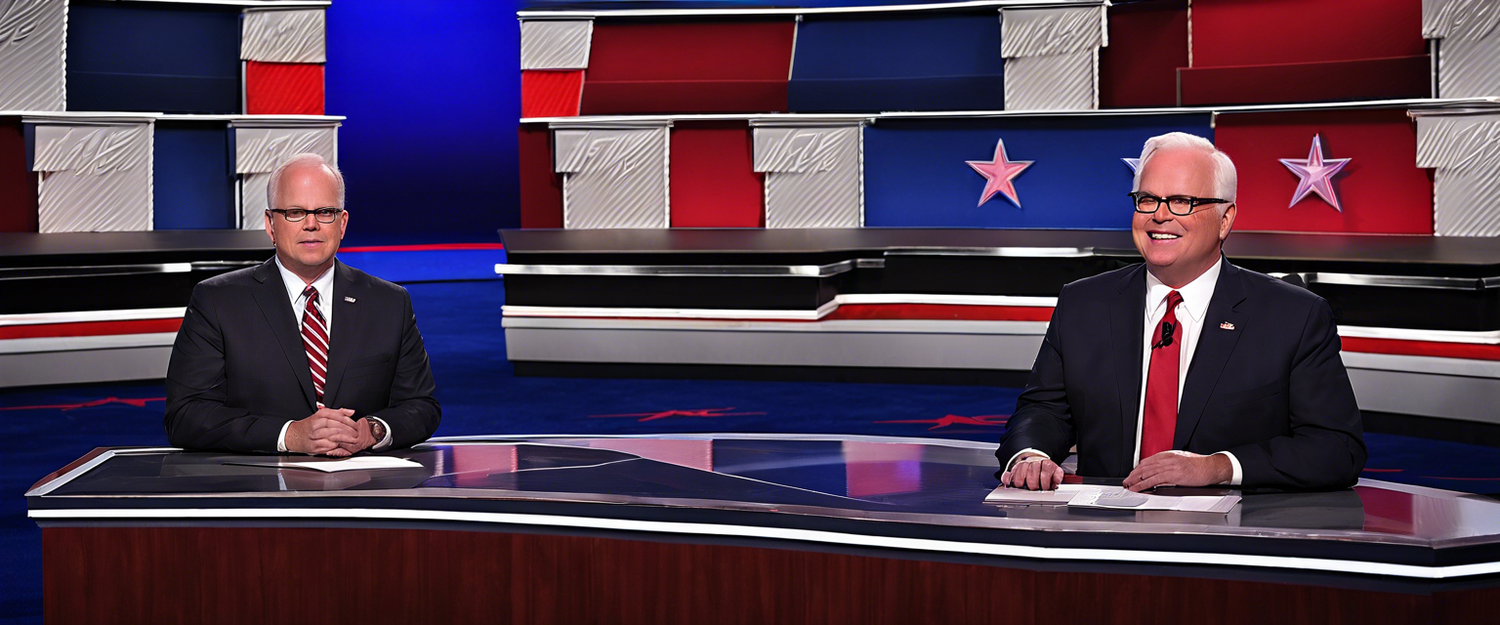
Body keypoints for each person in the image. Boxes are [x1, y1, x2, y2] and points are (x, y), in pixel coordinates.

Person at [995, 133, 1365, 492]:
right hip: (1104, 528)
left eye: (1182, 201)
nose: (1159, 216)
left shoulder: (1292, 317)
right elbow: (1043, 410)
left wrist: (1217, 467)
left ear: (1225, 219)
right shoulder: (1084, 303)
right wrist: (1031, 454)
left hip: (1230, 535)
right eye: (1147, 199)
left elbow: (1336, 448)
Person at [165, 153, 440, 455]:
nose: (311, 224)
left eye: (324, 212)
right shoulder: (217, 301)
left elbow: (422, 407)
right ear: (271, 224)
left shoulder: (390, 302)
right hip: (261, 489)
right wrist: (289, 435)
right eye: (295, 212)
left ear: (342, 223)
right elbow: (186, 416)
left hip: (364, 487)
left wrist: (372, 430)